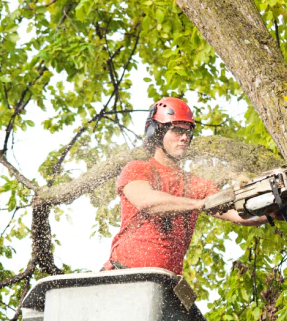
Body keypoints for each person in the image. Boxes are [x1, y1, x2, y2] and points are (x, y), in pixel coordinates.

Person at [103, 97, 272, 274]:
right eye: (176, 130)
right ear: (157, 133)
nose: (184, 137)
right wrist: (198, 204)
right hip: (123, 276)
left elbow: (237, 214)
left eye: (188, 132)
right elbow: (147, 201)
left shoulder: (197, 185)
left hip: (165, 283)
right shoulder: (138, 169)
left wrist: (270, 212)